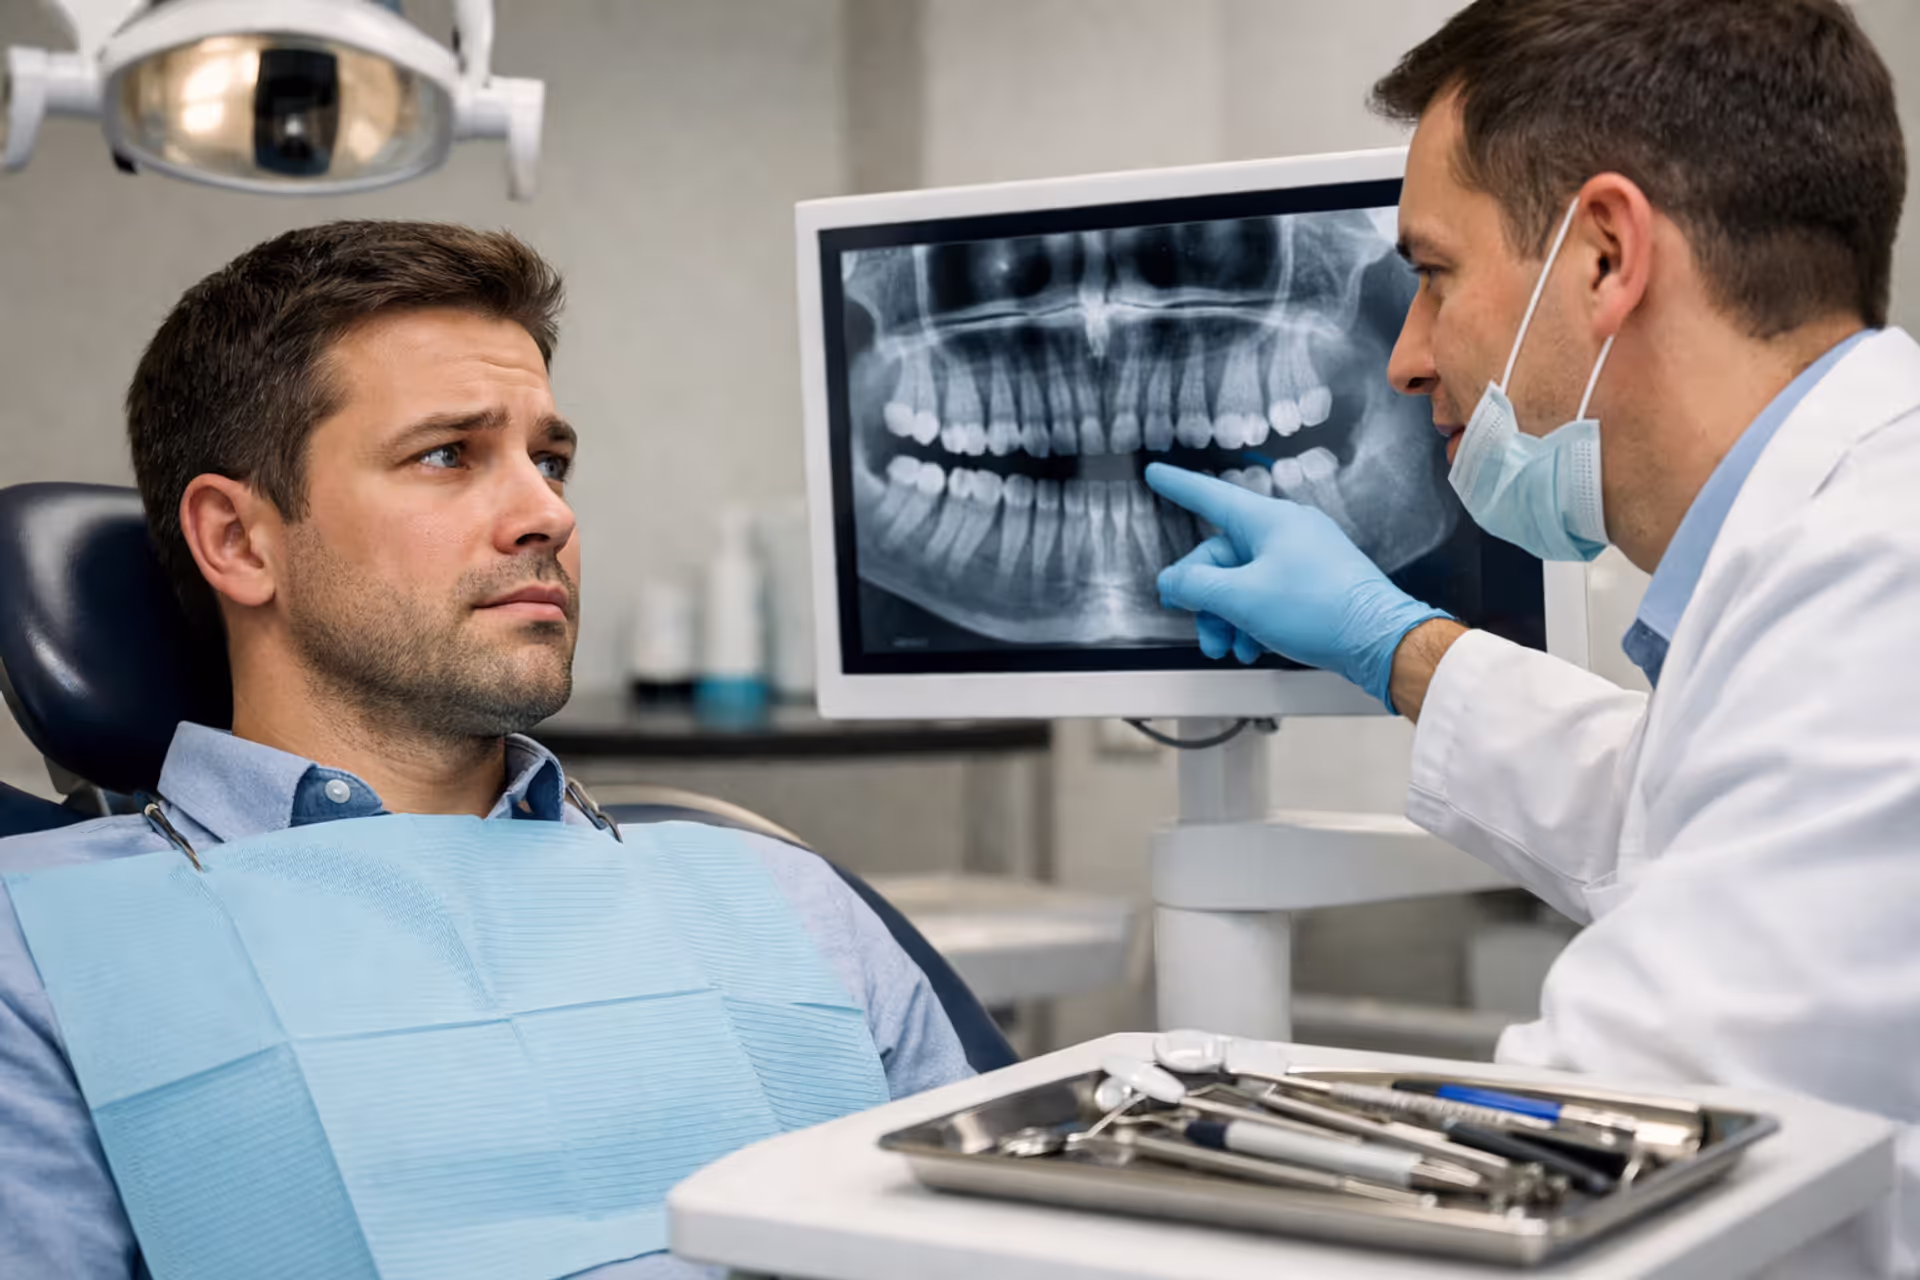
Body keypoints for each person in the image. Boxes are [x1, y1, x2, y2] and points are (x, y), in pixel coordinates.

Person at [0, 221, 971, 1280]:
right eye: (447, 454)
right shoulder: (36, 951)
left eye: (549, 458)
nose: (545, 512)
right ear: (238, 539)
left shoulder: (792, 899)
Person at [1146, 0, 1917, 1273]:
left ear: (1606, 254)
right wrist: (1392, 641)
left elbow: (1597, 1176)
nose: (1404, 357)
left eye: (1433, 275)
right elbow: (1687, 814)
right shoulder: (1838, 564)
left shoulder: (1879, 586)